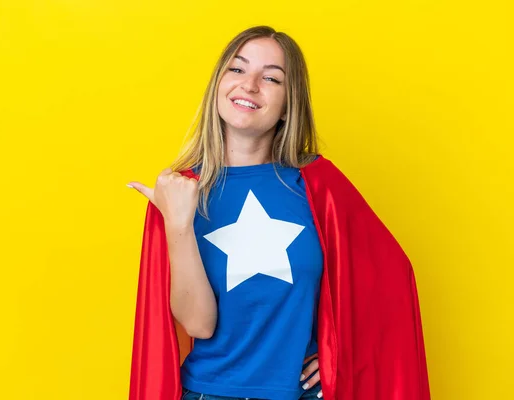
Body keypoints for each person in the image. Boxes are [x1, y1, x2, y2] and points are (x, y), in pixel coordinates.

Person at [127, 26, 431, 400]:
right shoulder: (179, 192)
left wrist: (346, 351)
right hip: (210, 393)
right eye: (237, 69)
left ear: (289, 103)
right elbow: (198, 325)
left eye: (271, 78)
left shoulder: (321, 186)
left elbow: (393, 281)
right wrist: (178, 223)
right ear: (218, 86)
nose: (250, 85)